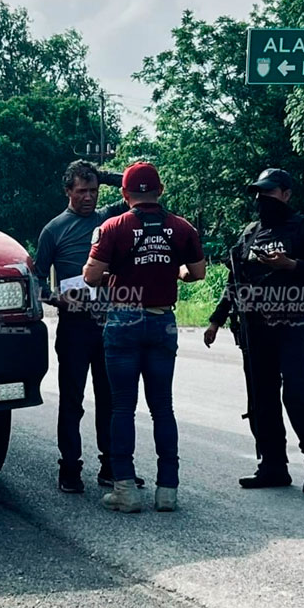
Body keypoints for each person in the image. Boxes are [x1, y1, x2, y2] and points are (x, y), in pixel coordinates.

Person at [203, 168, 304, 495]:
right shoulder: (250, 233)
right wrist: (216, 319)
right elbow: (234, 280)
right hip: (254, 328)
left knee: (297, 394)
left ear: (286, 194)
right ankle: (272, 466)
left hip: (291, 326)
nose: (263, 198)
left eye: (270, 192)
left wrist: (291, 265)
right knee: (261, 397)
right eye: (259, 193)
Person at [83, 161, 205, 513]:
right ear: (160, 191)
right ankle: (168, 490)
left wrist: (108, 272)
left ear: (124, 194)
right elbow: (197, 273)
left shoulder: (112, 227)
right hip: (162, 319)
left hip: (124, 319)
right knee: (162, 407)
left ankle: (125, 489)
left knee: (122, 406)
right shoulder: (182, 227)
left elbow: (90, 277)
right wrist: (174, 271)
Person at [34, 160, 145, 493]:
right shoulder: (53, 230)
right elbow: (35, 280)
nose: (88, 197)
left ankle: (111, 466)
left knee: (110, 398)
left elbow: (138, 191)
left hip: (109, 322)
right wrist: (57, 300)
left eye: (93, 190)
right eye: (82, 191)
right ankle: (70, 468)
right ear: (68, 191)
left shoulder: (108, 220)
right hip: (75, 326)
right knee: (72, 400)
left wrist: (103, 175)